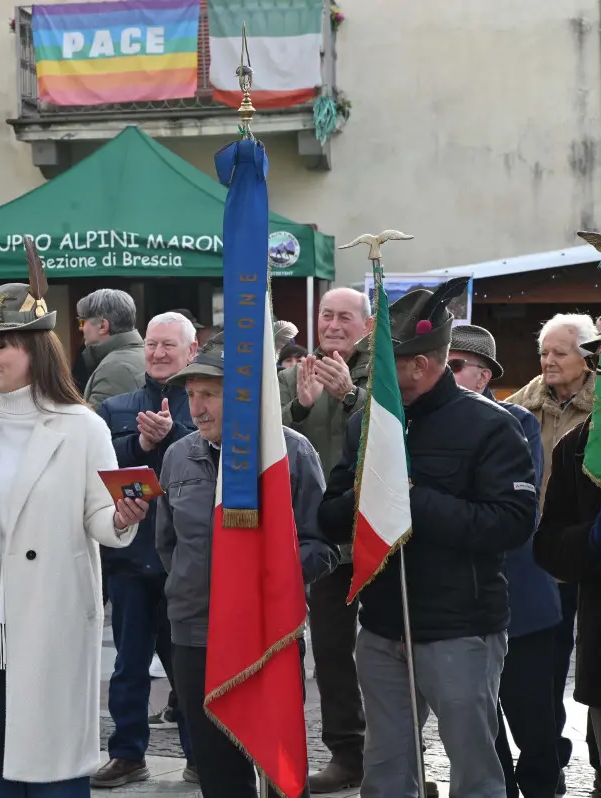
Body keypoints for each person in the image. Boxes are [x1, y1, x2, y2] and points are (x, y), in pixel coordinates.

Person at [0, 257, 148, 797]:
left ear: (34, 349)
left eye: (2, 343)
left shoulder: (82, 426)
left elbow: (99, 515)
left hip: (49, 613)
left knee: (45, 756)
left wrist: (122, 517)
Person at [319, 280, 539, 798]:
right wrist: (367, 493)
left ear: (420, 363)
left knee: (474, 771)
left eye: (388, 362)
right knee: (387, 770)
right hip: (380, 623)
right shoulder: (367, 424)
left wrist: (411, 498)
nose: (374, 374)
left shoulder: (490, 426)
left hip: (459, 628)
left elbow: (510, 523)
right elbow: (329, 520)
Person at [157, 328, 339, 797]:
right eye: (191, 395)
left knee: (276, 764)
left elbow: (322, 544)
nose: (196, 407)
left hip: (267, 633)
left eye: (210, 395)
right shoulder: (178, 456)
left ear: (240, 396)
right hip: (196, 633)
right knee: (216, 768)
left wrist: (269, 581)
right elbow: (168, 544)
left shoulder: (291, 453)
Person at [450, 324, 562, 798]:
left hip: (521, 600)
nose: (443, 374)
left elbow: (509, 504)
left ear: (482, 376)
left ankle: (543, 785)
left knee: (533, 715)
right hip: (459, 600)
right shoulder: (418, 425)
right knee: (477, 719)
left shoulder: (516, 422)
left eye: (455, 366)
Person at [92, 312, 197, 788]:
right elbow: (98, 465)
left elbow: (211, 457)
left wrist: (171, 435)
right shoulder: (115, 408)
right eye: (152, 344)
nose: (157, 353)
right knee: (128, 664)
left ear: (190, 352)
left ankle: (201, 755)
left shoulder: (204, 405)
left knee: (188, 667)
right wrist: (139, 441)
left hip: (188, 562)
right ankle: (128, 753)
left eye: (168, 346)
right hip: (132, 559)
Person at [278, 287, 372, 793]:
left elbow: (398, 435)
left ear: (366, 323)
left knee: (388, 650)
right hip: (323, 540)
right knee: (332, 650)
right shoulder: (295, 373)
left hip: (377, 538)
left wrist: (352, 398)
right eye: (326, 316)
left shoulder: (383, 373)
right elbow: (262, 435)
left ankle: (399, 749)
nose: (333, 325)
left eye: (344, 317)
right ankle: (346, 753)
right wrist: (299, 404)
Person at [508, 311, 601, 791]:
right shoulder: (523, 403)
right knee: (544, 663)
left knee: (582, 657)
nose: (548, 361)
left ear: (587, 358)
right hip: (537, 549)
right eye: (544, 352)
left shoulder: (597, 411)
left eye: (559, 352)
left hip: (582, 550)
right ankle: (551, 750)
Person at [533, 328, 601, 798]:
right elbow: (549, 543)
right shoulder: (577, 445)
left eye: (563, 352)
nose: (550, 360)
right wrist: (592, 539)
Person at [77, 288, 145, 408]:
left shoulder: (114, 368)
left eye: (82, 322)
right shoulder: (143, 353)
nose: (80, 328)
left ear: (103, 326)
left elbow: (92, 424)